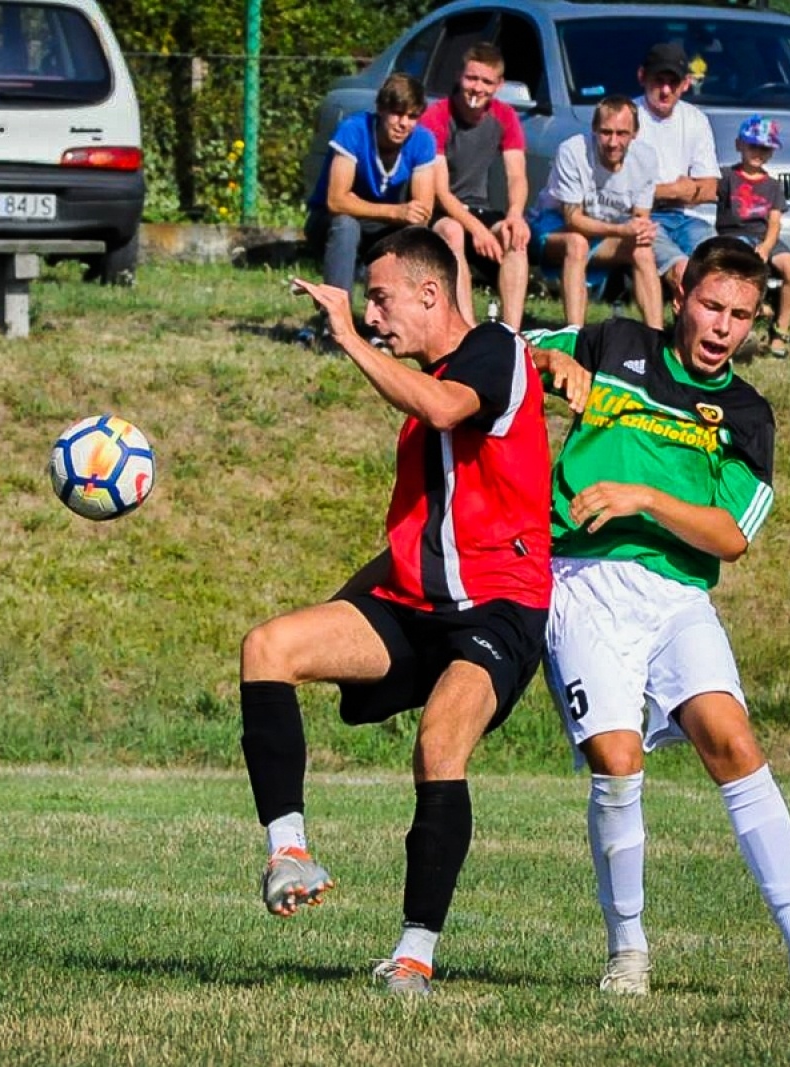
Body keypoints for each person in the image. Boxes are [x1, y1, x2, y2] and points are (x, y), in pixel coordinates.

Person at [526, 237, 790, 999]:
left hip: (679, 595)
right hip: (584, 583)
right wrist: (555, 363)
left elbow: (732, 534)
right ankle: (629, 952)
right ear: (681, 294)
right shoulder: (614, 341)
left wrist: (641, 496)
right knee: (618, 761)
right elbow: (503, 352)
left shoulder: (745, 412)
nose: (723, 326)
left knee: (732, 740)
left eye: (742, 315)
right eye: (713, 305)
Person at [241, 226, 552, 996]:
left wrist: (346, 336)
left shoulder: (495, 353)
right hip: (415, 605)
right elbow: (415, 537)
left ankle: (414, 955)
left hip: (499, 609)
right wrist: (345, 609)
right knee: (269, 647)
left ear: (430, 292)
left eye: (380, 298)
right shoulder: (422, 410)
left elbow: (448, 408)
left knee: (439, 744)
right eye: (367, 304)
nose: (373, 313)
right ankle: (289, 852)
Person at [302, 73, 438, 346]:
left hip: (378, 228)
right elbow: (336, 200)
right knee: (346, 224)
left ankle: (391, 324)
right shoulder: (353, 131)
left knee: (416, 233)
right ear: (381, 110)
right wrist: (396, 212)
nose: (403, 124)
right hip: (328, 224)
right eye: (397, 114)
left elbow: (423, 208)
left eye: (412, 117)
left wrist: (407, 217)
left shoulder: (422, 141)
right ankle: (335, 325)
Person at [526, 95, 664, 330]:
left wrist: (642, 230)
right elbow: (572, 219)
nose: (612, 142)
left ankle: (655, 337)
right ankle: (575, 334)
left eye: (622, 133)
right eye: (605, 132)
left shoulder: (646, 158)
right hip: (552, 228)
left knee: (641, 250)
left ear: (635, 133)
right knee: (577, 243)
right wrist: (622, 230)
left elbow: (640, 217)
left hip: (600, 235)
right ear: (593, 130)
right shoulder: (573, 151)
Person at [420, 43, 532, 329]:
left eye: (486, 81)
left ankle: (511, 333)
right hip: (441, 211)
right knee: (453, 231)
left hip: (480, 207)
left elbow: (517, 175)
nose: (477, 88)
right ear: (459, 76)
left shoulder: (505, 116)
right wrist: (477, 230)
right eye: (472, 78)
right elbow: (440, 190)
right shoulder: (437, 116)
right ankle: (467, 328)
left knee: (514, 238)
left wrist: (515, 215)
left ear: (499, 85)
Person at [633, 42, 719, 298]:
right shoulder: (627, 117)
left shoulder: (695, 120)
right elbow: (619, 192)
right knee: (681, 268)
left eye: (674, 82)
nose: (666, 90)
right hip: (642, 219)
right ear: (642, 77)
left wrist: (661, 191)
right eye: (659, 81)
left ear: (686, 83)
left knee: (716, 263)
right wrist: (676, 190)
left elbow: (710, 188)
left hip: (685, 218)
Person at [717, 115, 790, 358]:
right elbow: (702, 193)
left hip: (764, 237)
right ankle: (753, 313)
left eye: (765, 148)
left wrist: (766, 246)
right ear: (739, 145)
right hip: (733, 235)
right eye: (753, 145)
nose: (758, 152)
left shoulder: (773, 185)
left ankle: (781, 331)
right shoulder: (725, 177)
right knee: (742, 266)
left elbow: (775, 222)